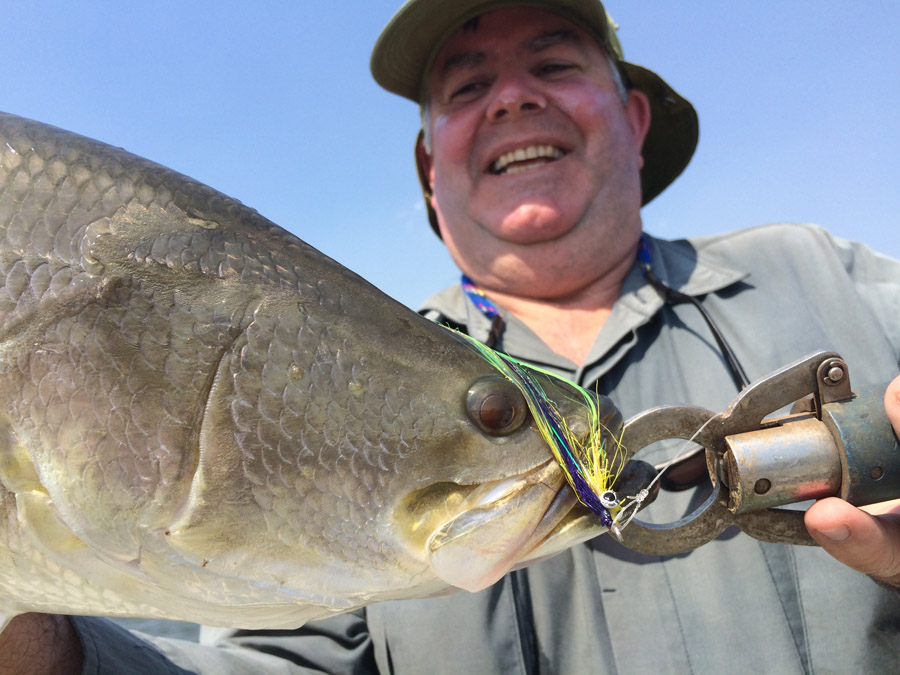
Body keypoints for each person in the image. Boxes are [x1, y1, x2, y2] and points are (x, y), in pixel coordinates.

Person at [4, 0, 900, 672]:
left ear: (632, 120)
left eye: (553, 65)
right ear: (432, 169)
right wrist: (40, 641)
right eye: (468, 86)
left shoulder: (830, 273)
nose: (511, 99)